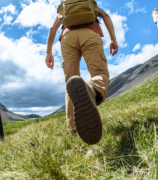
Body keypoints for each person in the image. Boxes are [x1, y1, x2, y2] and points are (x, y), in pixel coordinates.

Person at [45, 3, 118, 144]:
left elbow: (53, 29)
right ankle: (91, 89)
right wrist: (113, 39)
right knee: (100, 73)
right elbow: (106, 16)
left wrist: (49, 53)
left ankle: (72, 129)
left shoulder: (65, 5)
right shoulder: (88, 2)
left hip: (67, 38)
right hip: (90, 33)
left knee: (70, 82)